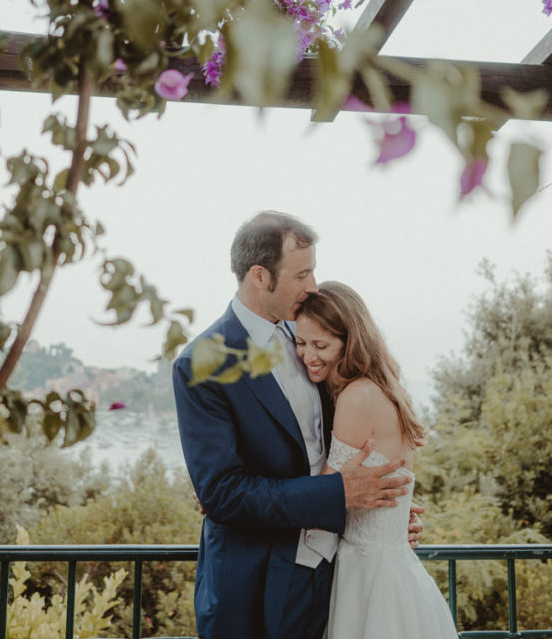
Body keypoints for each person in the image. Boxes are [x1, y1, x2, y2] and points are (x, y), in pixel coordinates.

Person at [172, 211, 419, 639]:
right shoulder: (200, 364)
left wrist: (385, 517)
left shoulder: (312, 339)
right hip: (251, 587)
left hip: (329, 577)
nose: (313, 286)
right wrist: (340, 493)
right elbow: (223, 495)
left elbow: (350, 439)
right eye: (302, 274)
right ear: (260, 275)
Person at [294, 281, 458, 639]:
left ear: (349, 342)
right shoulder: (384, 390)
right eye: (301, 342)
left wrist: (237, 496)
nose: (308, 355)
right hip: (393, 570)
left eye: (321, 345)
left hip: (370, 579)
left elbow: (320, 497)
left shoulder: (356, 397)